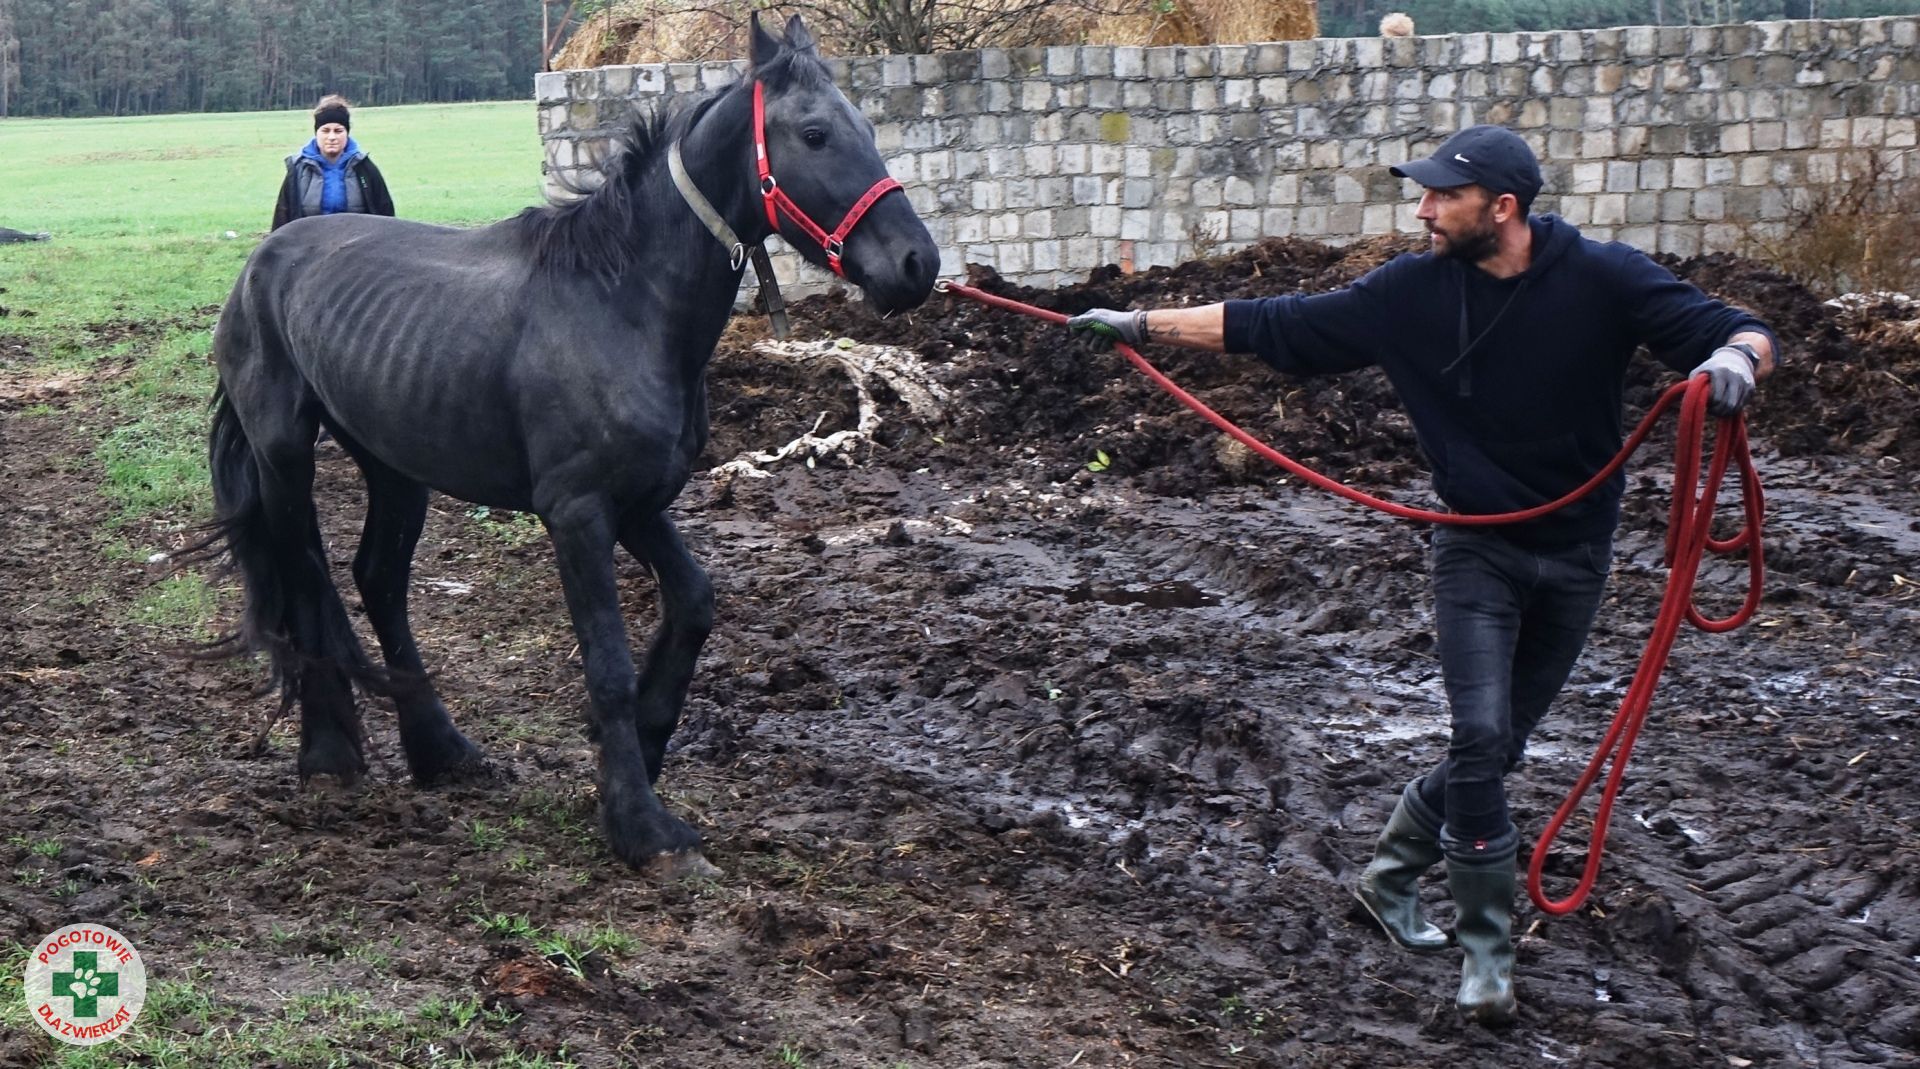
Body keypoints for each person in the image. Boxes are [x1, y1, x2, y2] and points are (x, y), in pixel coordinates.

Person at [1066, 124, 1775, 1026]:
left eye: (1443, 195)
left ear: (1504, 208)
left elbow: (1740, 330)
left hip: (1577, 556)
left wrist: (1731, 364)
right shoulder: (1408, 293)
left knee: (1505, 742)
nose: (1424, 209)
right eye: (1426, 193)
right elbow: (1277, 325)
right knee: (1481, 740)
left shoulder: (1605, 278)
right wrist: (1137, 324)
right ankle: (1487, 953)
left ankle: (1388, 879)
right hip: (1475, 546)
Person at [271, 94, 395, 231]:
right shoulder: (298, 169)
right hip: (310, 246)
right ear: (316, 133)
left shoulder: (364, 168)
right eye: (325, 131)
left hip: (355, 246)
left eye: (338, 131)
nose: (331, 137)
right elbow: (282, 218)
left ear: (347, 133)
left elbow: (385, 214)